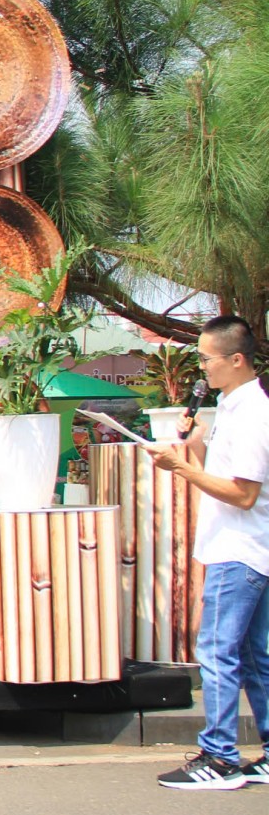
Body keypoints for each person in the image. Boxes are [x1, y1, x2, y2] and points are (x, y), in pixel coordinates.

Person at [148, 316, 269, 790]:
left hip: (239, 552)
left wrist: (180, 467)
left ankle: (218, 757)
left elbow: (243, 495)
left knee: (217, 651)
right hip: (246, 549)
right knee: (254, 656)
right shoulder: (233, 409)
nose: (201, 368)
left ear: (236, 359)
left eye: (206, 359)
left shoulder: (252, 414)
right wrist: (195, 449)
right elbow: (224, 482)